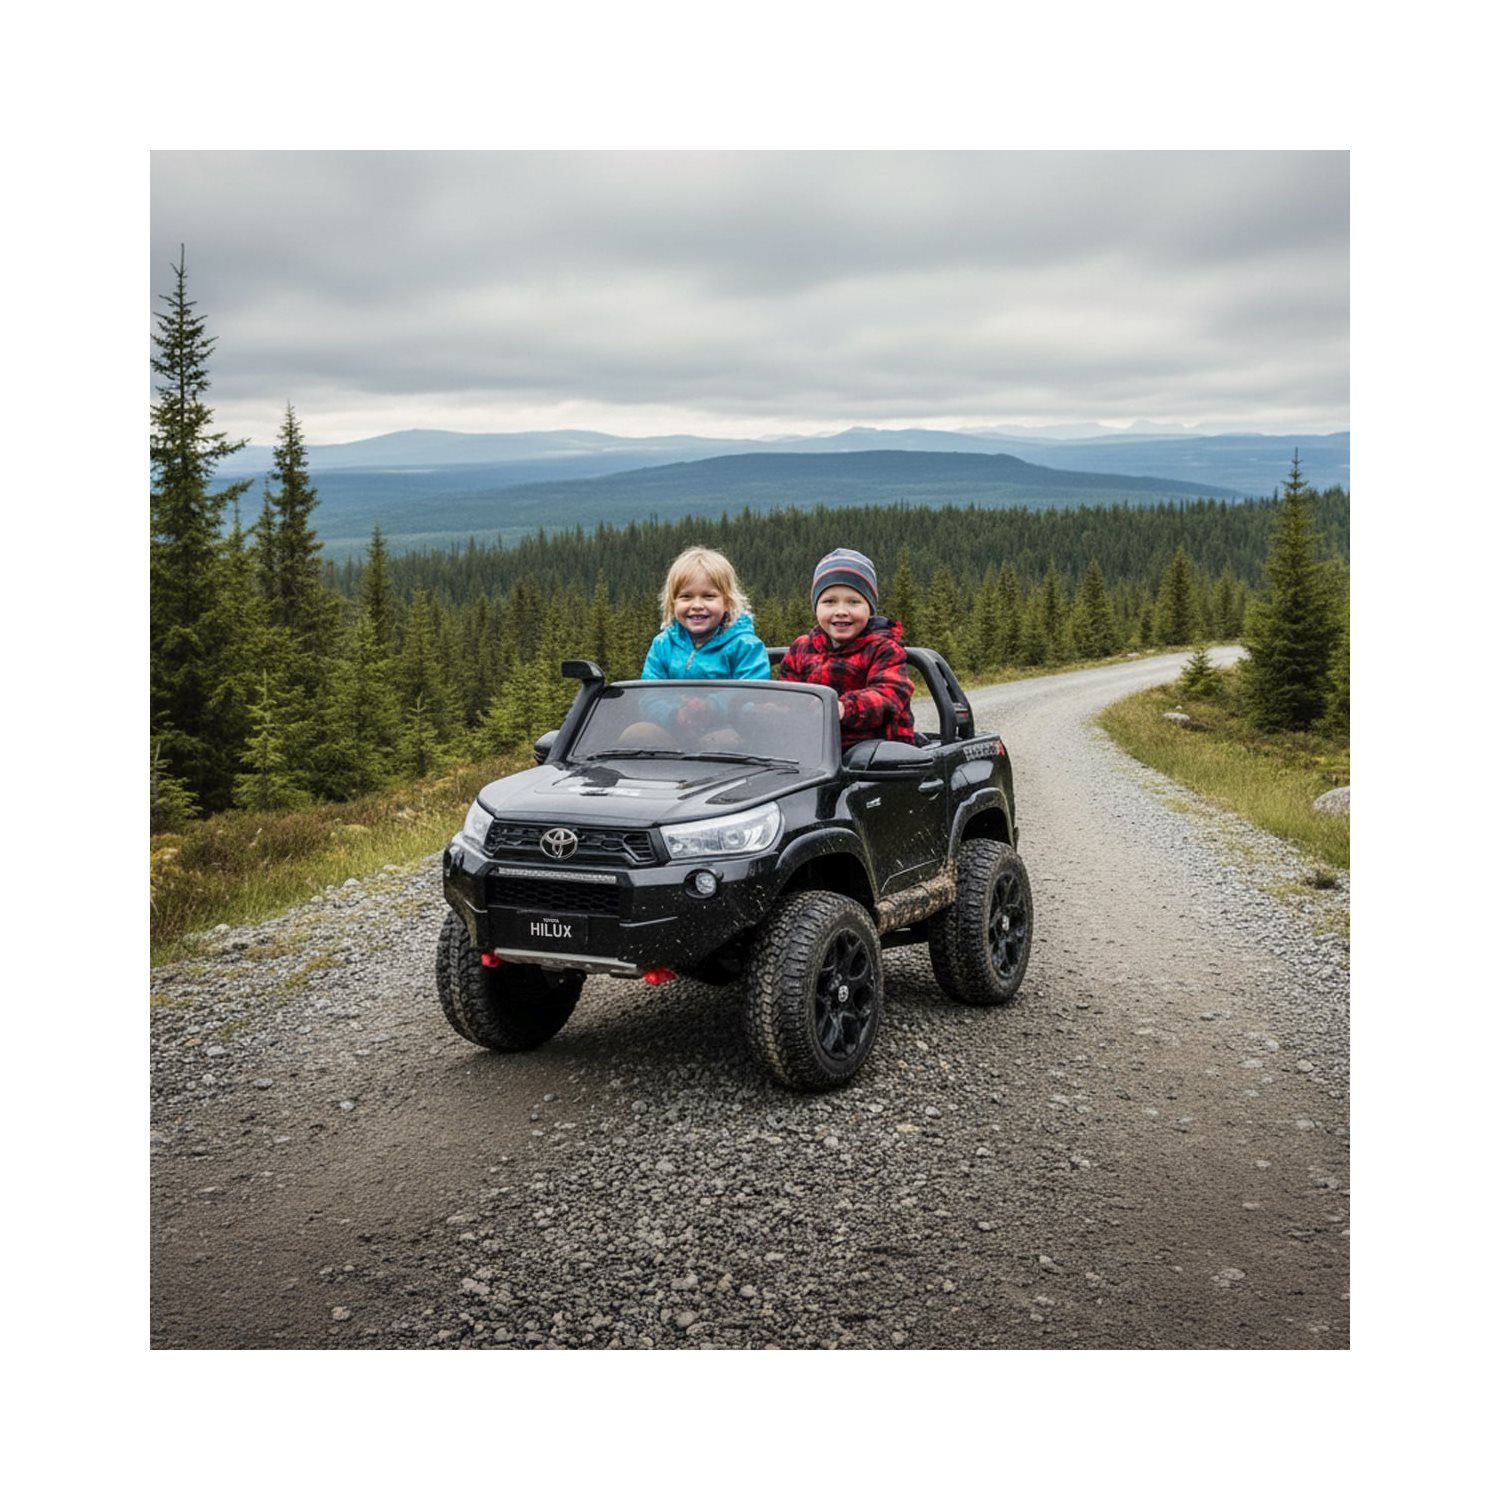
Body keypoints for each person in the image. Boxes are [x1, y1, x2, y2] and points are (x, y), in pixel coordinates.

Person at [779, 547, 915, 750]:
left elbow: (888, 696)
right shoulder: (801, 648)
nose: (841, 611)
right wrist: (774, 708)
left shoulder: (884, 648)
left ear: (869, 608)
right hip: (815, 749)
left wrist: (843, 708)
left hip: (875, 753)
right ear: (816, 607)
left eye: (853, 602)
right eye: (829, 602)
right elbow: (787, 693)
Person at [640, 545, 771, 680]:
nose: (697, 605)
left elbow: (751, 691)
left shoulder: (745, 647)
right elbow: (650, 690)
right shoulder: (663, 645)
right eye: (686, 597)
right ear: (673, 603)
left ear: (728, 602)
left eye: (708, 596)